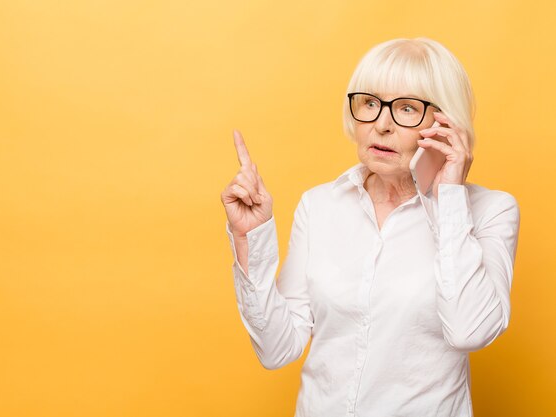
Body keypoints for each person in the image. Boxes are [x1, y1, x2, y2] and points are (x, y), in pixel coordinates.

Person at [219, 38, 520, 417]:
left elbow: (469, 331)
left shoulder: (491, 211)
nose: (381, 125)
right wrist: (250, 240)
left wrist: (450, 198)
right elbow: (278, 349)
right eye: (371, 103)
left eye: (407, 108)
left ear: (447, 125)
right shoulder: (320, 205)